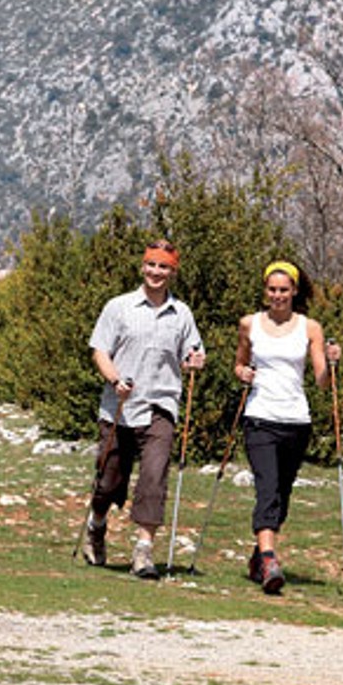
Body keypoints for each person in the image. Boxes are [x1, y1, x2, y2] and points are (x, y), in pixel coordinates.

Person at [83, 240, 206, 579]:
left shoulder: (182, 314)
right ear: (143, 267)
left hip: (160, 405)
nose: (156, 272)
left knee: (153, 477)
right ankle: (97, 526)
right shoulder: (119, 307)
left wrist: (194, 361)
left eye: (163, 266)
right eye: (151, 265)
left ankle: (143, 552)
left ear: (173, 272)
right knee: (108, 482)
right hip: (120, 406)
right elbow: (99, 351)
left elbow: (189, 355)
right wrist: (114, 379)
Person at [231, 260, 341, 595]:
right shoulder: (250, 324)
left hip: (296, 420)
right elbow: (239, 362)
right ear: (265, 291)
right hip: (260, 417)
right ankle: (269, 559)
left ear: (294, 291)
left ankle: (257, 559)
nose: (277, 295)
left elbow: (321, 381)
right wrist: (242, 373)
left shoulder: (310, 328)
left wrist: (333, 363)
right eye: (272, 289)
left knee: (282, 495)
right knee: (266, 488)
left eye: (283, 290)